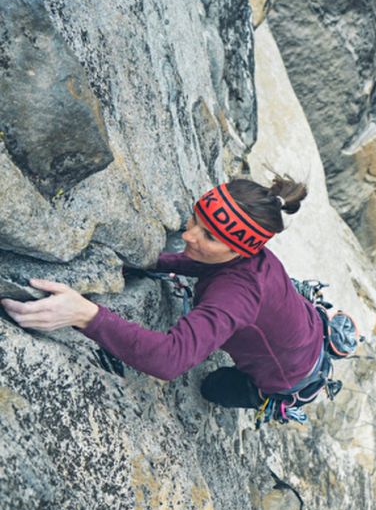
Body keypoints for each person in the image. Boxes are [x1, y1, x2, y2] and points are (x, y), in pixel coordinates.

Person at [1, 176, 330, 416]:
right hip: (302, 326)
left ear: (238, 250)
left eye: (208, 236)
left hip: (288, 375)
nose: (187, 235)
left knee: (212, 388)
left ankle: (265, 394)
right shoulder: (251, 256)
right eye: (195, 219)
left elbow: (169, 359)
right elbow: (203, 264)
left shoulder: (236, 295)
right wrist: (141, 261)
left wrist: (85, 314)